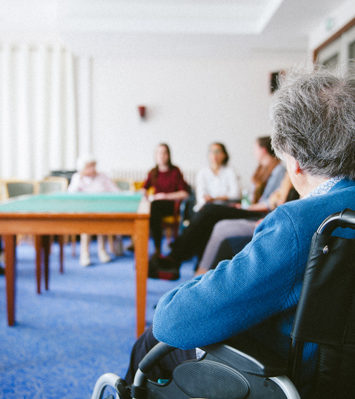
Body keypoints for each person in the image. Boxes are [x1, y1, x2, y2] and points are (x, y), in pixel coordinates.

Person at [123, 69, 355, 397]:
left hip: (289, 378)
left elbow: (173, 320)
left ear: (294, 160)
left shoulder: (300, 224)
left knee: (154, 339)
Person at [150, 136, 285, 280]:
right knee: (207, 214)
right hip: (247, 207)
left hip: (257, 211)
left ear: (263, 150)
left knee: (209, 211)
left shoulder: (278, 171)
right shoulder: (263, 169)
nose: (254, 153)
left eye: (255, 149)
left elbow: (270, 202)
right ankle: (179, 261)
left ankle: (174, 257)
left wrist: (246, 206)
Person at [195, 173, 297, 274]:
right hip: (264, 215)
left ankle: (201, 272)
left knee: (219, 225)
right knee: (214, 219)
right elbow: (271, 202)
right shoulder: (274, 174)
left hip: (266, 217)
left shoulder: (284, 173)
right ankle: (201, 271)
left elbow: (276, 203)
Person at [68, 154, 122, 267]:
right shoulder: (77, 178)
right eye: (89, 166)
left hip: (102, 209)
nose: (92, 169)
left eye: (93, 166)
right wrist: (81, 177)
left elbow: (116, 191)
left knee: (102, 222)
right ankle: (84, 253)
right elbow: (71, 194)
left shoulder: (102, 176)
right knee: (86, 223)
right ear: (82, 168)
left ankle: (102, 250)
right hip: (84, 211)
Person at [143, 143, 189, 256]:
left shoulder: (175, 171)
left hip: (171, 205)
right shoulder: (153, 172)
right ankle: (154, 248)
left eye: (164, 152)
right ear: (155, 155)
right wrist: (146, 196)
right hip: (156, 206)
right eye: (159, 152)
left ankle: (157, 249)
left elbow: (184, 193)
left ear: (168, 155)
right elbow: (143, 189)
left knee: (154, 210)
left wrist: (165, 196)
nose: (161, 155)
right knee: (151, 210)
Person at [194, 142, 239, 211]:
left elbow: (235, 194)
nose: (214, 154)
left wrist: (215, 199)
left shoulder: (230, 171)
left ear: (224, 155)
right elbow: (201, 196)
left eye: (217, 151)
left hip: (226, 206)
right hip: (207, 206)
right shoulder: (202, 172)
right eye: (211, 151)